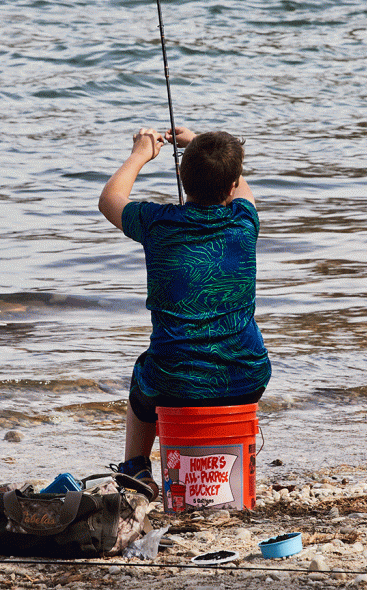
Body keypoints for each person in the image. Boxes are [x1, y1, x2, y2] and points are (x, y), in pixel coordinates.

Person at [98, 124, 271, 497]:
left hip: (171, 384)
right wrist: (201, 146)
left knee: (144, 372)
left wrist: (140, 155)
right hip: (246, 377)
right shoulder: (245, 222)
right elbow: (242, 189)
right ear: (231, 185)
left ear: (181, 175)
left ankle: (136, 468)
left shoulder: (157, 223)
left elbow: (110, 198)